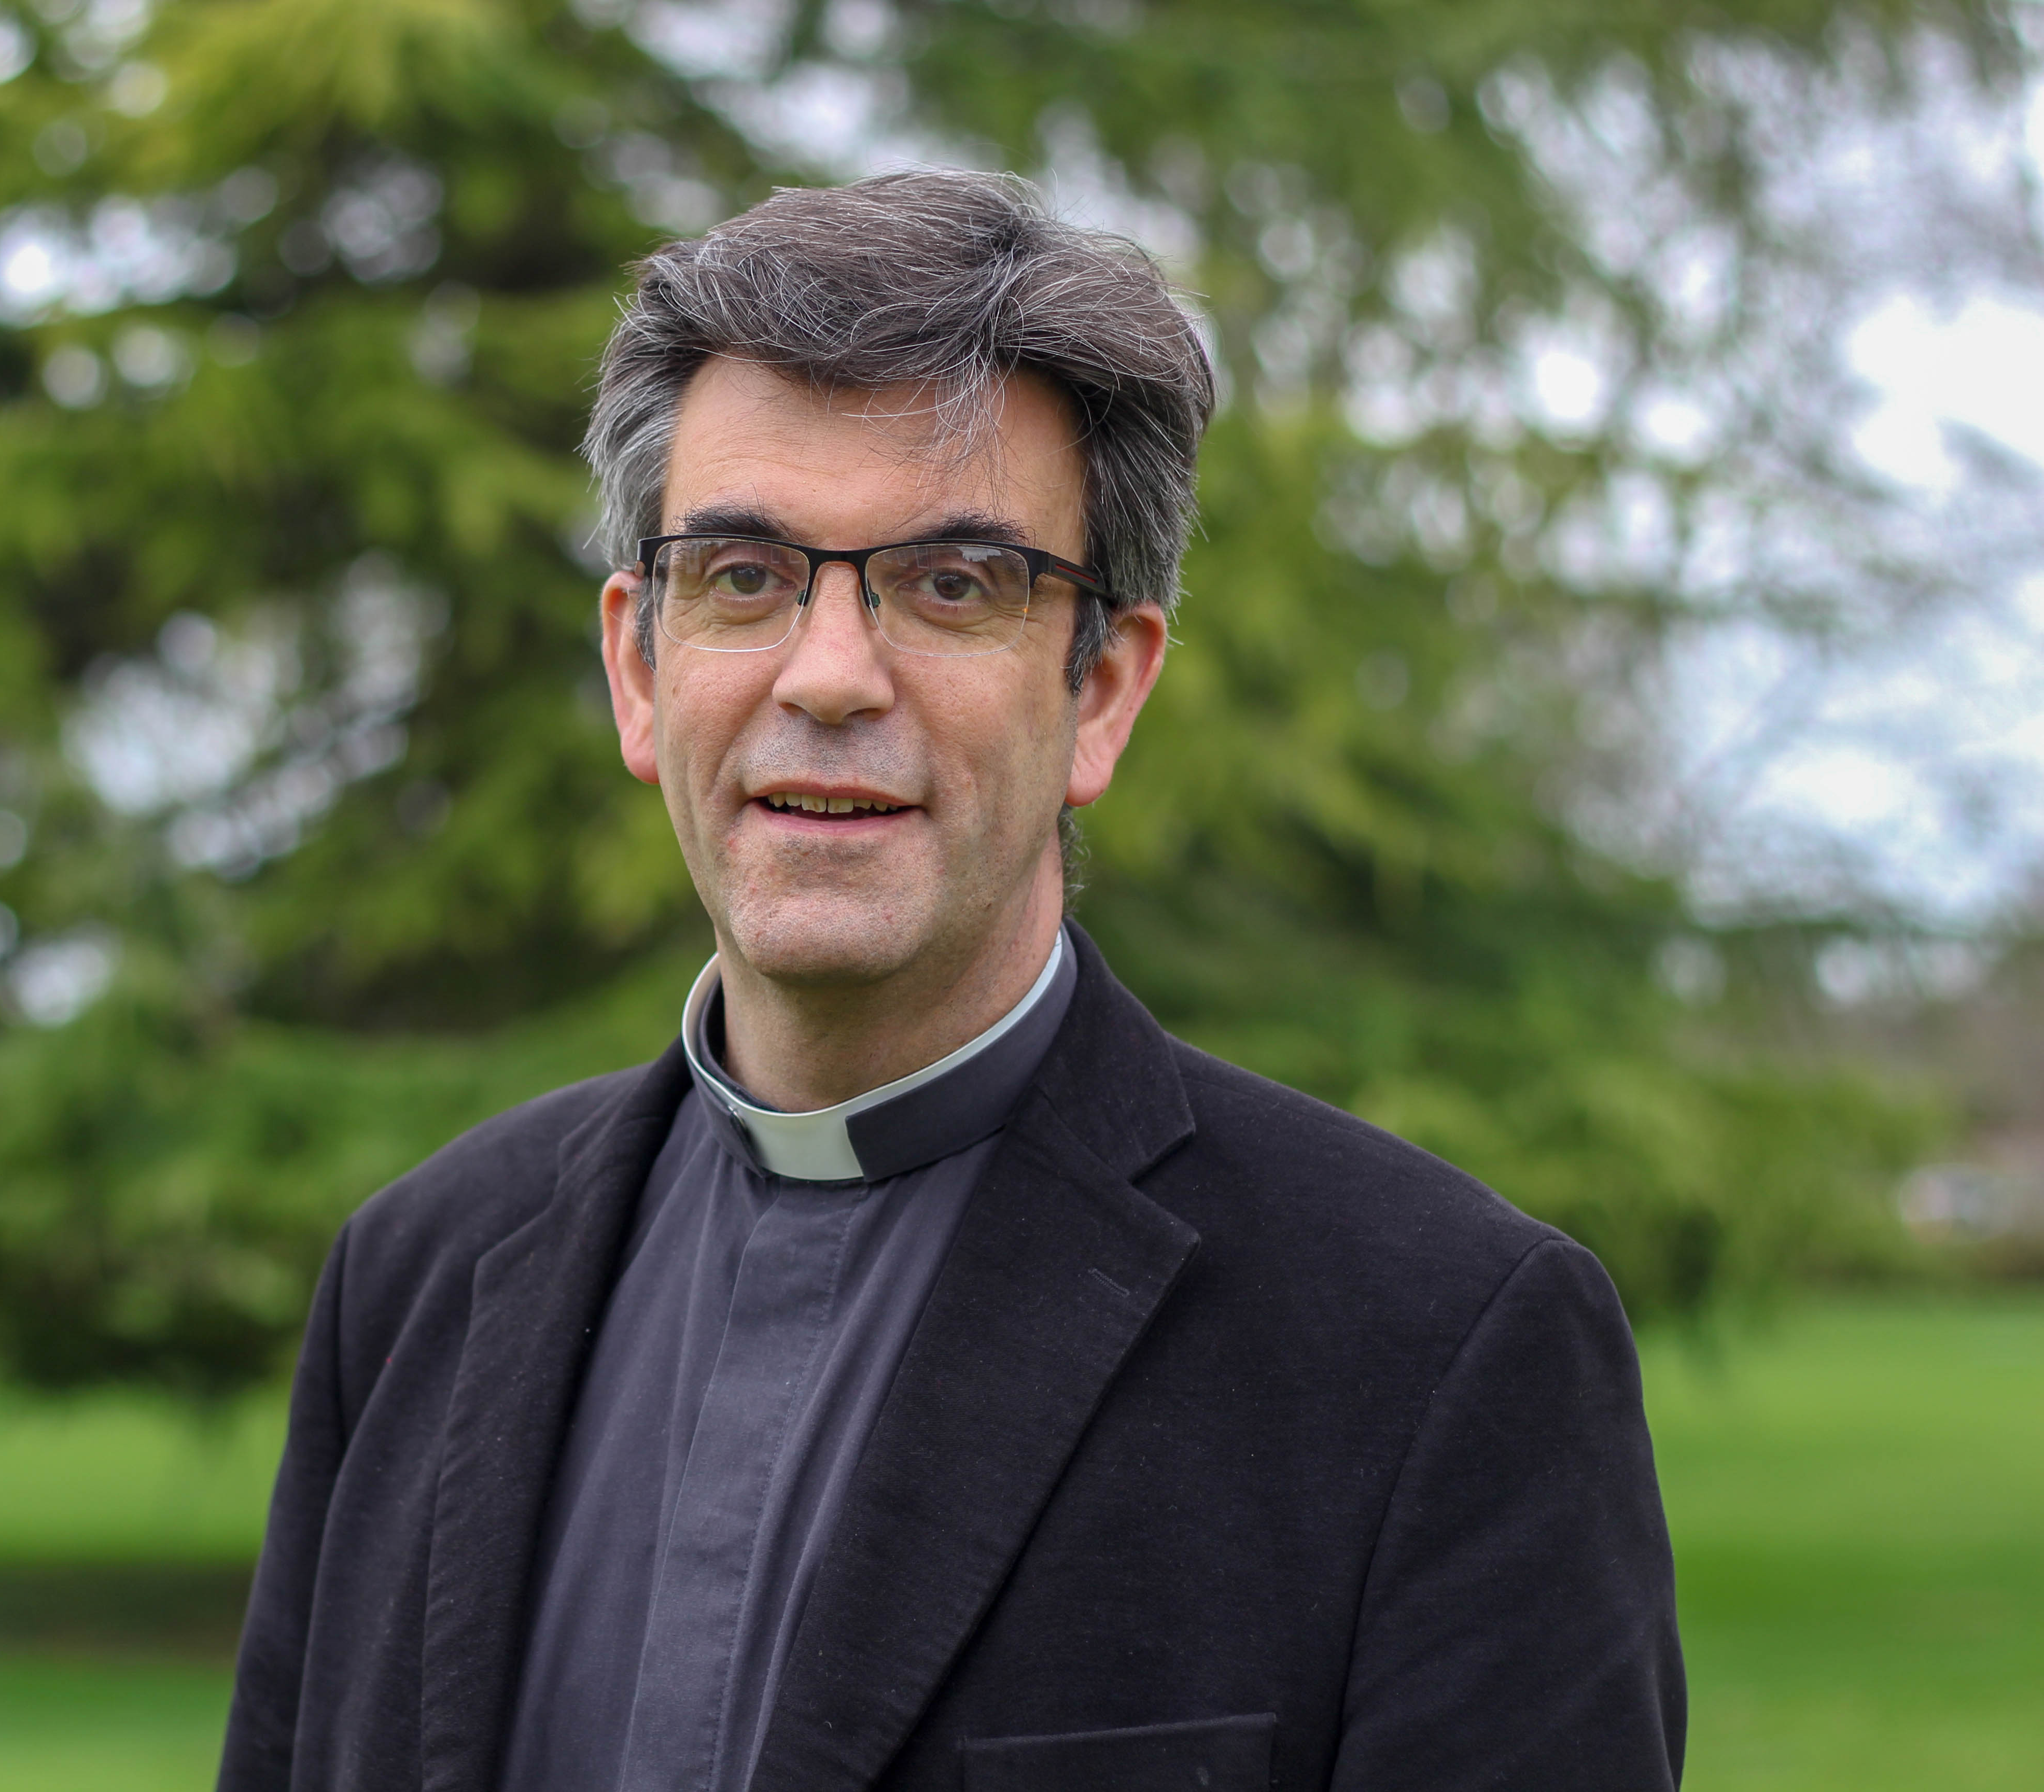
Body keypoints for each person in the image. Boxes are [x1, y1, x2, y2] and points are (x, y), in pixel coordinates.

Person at [216, 169, 1682, 1792]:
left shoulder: (1434, 1350)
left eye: (955, 584)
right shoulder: (415, 1279)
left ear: (1103, 693)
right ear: (640, 670)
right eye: (747, 576)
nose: (831, 675)